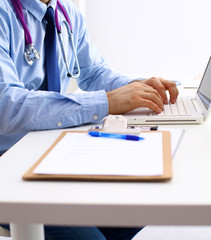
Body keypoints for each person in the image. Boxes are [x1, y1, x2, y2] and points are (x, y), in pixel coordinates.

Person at [0, 0, 179, 239]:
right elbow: (7, 107)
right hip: (8, 164)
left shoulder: (68, 12)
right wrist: (107, 101)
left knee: (137, 208)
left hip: (52, 155)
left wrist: (136, 87)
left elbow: (93, 72)